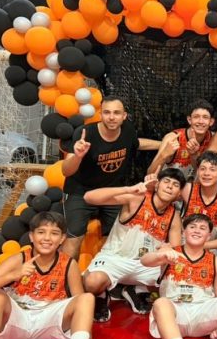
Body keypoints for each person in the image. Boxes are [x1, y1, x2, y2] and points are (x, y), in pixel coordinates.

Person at [0, 212, 100, 339]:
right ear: (31, 236)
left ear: (62, 238)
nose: (47, 238)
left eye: (54, 233)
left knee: (86, 298)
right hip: (17, 321)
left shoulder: (69, 264)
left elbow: (80, 303)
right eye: (41, 232)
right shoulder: (18, 259)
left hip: (50, 323)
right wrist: (11, 275)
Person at [61, 96, 161, 260]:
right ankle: (64, 274)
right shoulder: (85, 134)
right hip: (80, 192)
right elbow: (66, 171)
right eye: (107, 112)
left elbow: (136, 143)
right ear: (101, 114)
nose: (112, 117)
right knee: (74, 238)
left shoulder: (127, 131)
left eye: (116, 113)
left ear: (124, 116)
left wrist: (162, 144)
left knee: (117, 239)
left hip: (111, 192)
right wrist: (78, 156)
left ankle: (106, 274)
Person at [82, 168, 185, 322]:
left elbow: (175, 251)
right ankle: (102, 295)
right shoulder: (137, 198)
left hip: (146, 265)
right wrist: (128, 189)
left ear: (179, 194)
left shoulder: (174, 216)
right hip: (115, 259)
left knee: (177, 283)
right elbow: (89, 197)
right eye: (166, 181)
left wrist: (167, 249)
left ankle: (135, 290)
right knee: (92, 283)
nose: (170, 186)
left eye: (175, 185)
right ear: (157, 185)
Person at [180, 151, 217, 255]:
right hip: (183, 244)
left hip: (209, 247)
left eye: (212, 169)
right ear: (197, 171)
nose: (206, 173)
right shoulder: (188, 189)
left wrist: (201, 246)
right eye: (202, 169)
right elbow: (163, 199)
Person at [147, 99, 215, 181]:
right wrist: (164, 155)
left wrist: (194, 155)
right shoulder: (173, 138)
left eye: (205, 117)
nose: (201, 121)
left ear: (211, 121)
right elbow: (149, 175)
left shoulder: (214, 139)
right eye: (196, 117)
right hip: (170, 186)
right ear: (189, 120)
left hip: (196, 187)